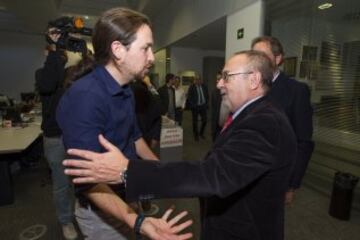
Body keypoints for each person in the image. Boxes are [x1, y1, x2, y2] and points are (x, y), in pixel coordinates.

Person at [63, 50, 297, 240]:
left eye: (226, 76)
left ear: (254, 79)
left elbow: (213, 175)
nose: (219, 84)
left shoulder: (266, 122)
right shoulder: (254, 115)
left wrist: (128, 171)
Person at [56, 7, 192, 240]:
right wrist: (136, 220)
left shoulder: (126, 89)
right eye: (146, 48)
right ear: (118, 50)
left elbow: (135, 138)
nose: (151, 57)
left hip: (128, 194)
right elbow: (87, 181)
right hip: (101, 209)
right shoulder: (85, 97)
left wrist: (162, 172)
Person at [251, 36, 314, 204]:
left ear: (278, 59)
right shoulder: (250, 86)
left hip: (275, 175)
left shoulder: (296, 91)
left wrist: (291, 185)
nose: (257, 60)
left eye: (262, 54)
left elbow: (303, 142)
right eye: (254, 55)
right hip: (247, 170)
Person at [35, 29, 78, 240]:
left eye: (63, 51)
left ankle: (78, 212)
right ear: (47, 52)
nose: (60, 53)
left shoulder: (70, 75)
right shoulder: (42, 75)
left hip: (74, 136)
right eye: (55, 50)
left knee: (79, 180)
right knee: (61, 185)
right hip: (54, 138)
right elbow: (48, 84)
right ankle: (65, 220)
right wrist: (54, 52)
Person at [186, 75, 209, 141]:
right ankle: (196, 135)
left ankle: (201, 133)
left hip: (203, 106)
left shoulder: (204, 86)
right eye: (196, 79)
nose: (198, 81)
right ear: (194, 80)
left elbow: (207, 95)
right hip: (195, 107)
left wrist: (206, 102)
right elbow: (189, 97)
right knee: (195, 122)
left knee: (205, 120)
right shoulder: (192, 87)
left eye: (199, 79)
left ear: (201, 80)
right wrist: (193, 105)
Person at [210, 72, 230, 142]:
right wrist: (213, 128)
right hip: (217, 126)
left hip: (228, 127)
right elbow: (213, 111)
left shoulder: (231, 92)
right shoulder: (214, 93)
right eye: (217, 79)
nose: (217, 81)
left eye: (219, 79)